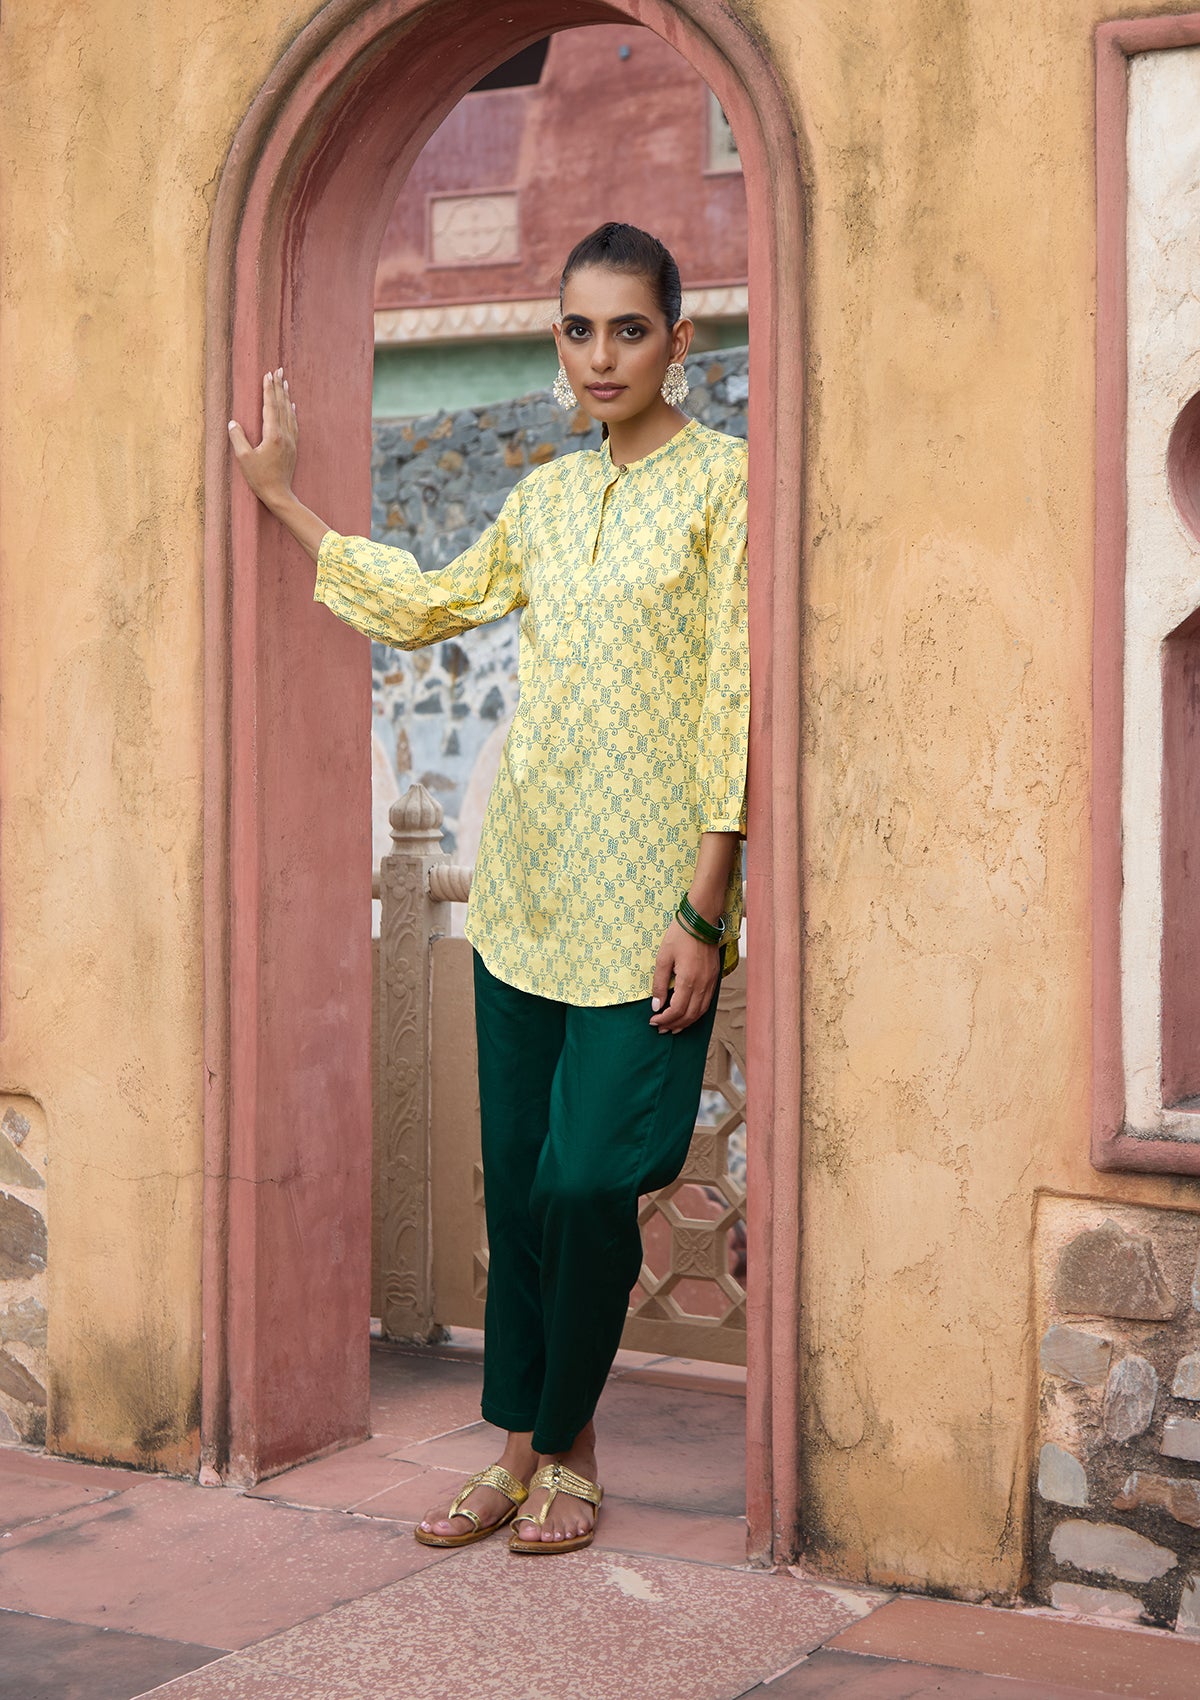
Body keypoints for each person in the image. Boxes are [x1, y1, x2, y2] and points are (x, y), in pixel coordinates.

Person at [229, 222, 749, 1556]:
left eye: (629, 329)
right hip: (524, 895)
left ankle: (562, 1439)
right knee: (517, 1193)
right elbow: (428, 606)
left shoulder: (724, 487)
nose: (601, 356)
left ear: (679, 341)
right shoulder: (546, 501)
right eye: (578, 330)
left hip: (650, 914)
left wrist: (706, 905)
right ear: (556, 343)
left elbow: (734, 698)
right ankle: (528, 1454)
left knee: (588, 1180)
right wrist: (285, 501)